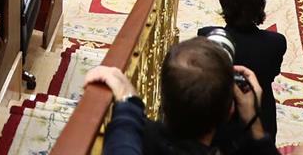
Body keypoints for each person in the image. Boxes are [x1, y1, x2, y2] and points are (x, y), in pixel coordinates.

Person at [84, 37, 278, 155]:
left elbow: (122, 144)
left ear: (163, 101)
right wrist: (253, 119)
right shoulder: (233, 144)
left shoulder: (142, 135)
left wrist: (128, 101)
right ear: (230, 110)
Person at [196, 0, 287, 141]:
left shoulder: (208, 36)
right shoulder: (277, 42)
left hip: (219, 117)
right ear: (260, 3)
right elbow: (273, 73)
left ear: (224, 6)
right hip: (260, 115)